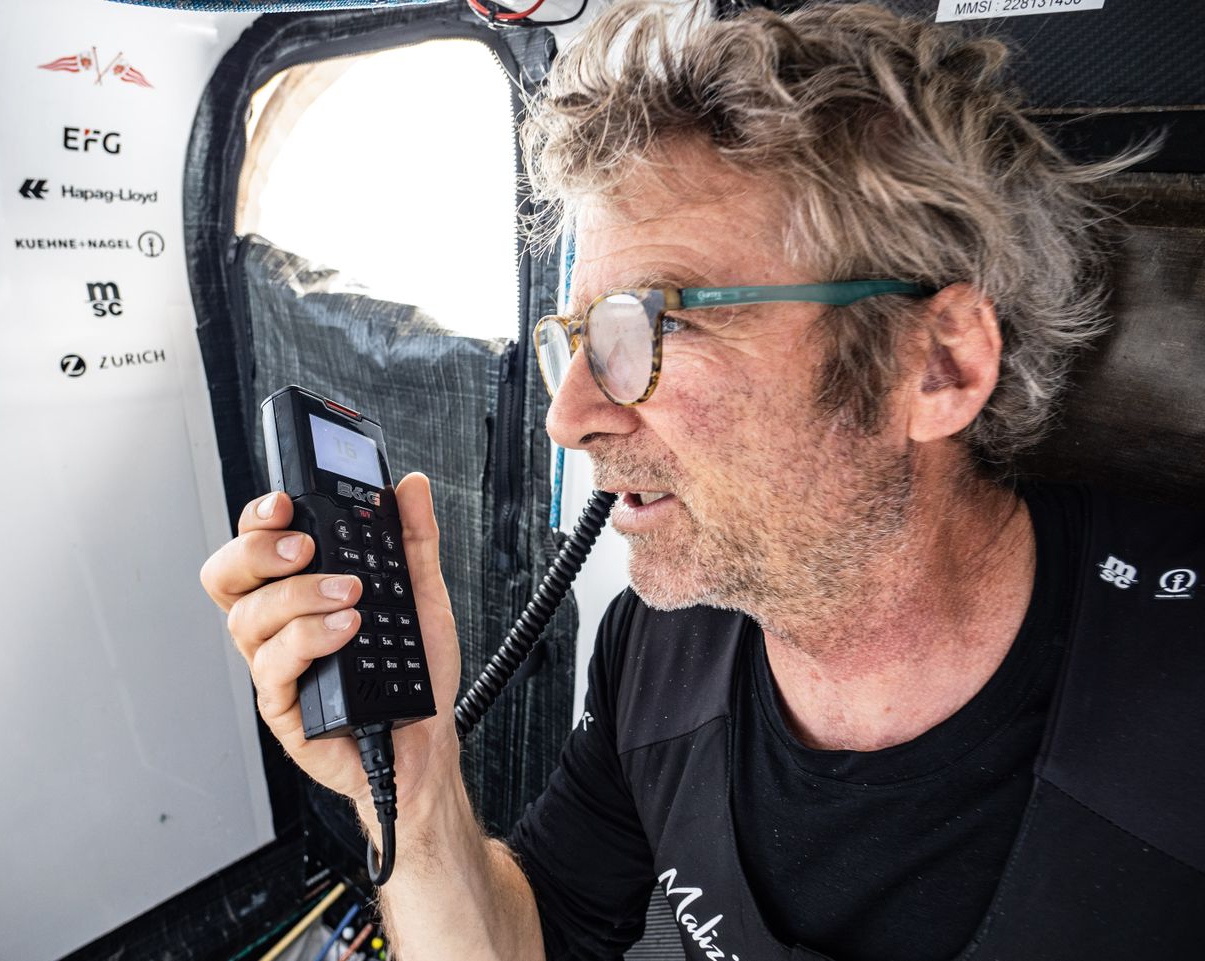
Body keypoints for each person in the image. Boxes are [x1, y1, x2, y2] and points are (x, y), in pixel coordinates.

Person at [200, 2, 1204, 959]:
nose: (569, 417)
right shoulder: (661, 643)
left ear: (935, 364)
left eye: (652, 327)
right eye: (579, 340)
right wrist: (415, 800)